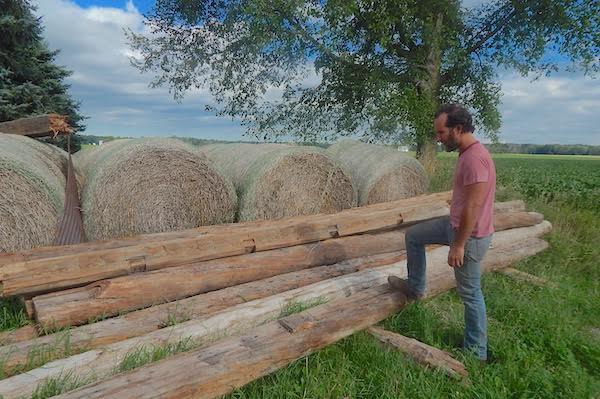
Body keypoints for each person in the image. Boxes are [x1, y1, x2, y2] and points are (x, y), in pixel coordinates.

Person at [388, 103, 496, 362]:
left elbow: (474, 206)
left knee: (470, 294)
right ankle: (415, 286)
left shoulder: (475, 159)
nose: (438, 139)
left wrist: (458, 245)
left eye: (441, 133)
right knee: (414, 236)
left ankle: (476, 352)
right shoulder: (467, 153)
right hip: (455, 226)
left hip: (468, 237)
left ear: (458, 129)